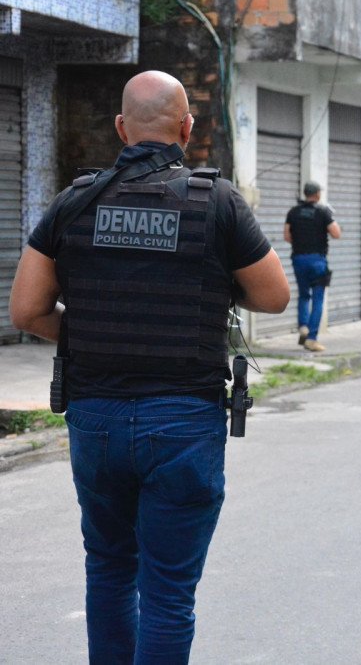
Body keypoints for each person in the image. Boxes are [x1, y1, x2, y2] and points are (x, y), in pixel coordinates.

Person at [8, 70, 289, 663]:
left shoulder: (74, 201)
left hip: (97, 419)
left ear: (119, 127)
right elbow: (273, 297)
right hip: (184, 421)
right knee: (167, 594)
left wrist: (86, 334)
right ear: (187, 129)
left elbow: (28, 312)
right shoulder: (217, 203)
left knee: (109, 572)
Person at [285, 181, 341, 352]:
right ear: (316, 194)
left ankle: (303, 326)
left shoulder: (293, 212)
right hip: (317, 261)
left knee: (303, 295)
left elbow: (287, 236)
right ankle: (311, 338)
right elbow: (336, 233)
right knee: (318, 299)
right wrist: (331, 217)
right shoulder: (323, 212)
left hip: (299, 259)